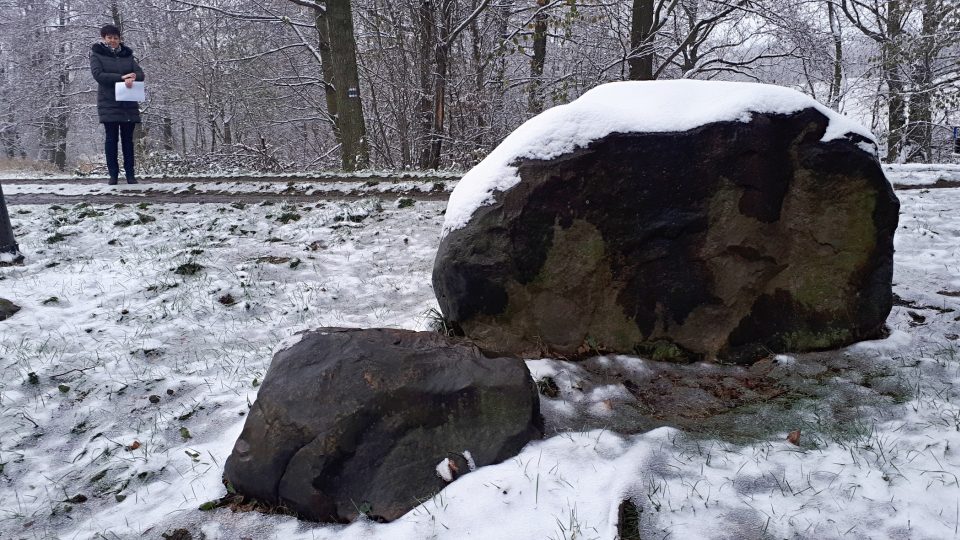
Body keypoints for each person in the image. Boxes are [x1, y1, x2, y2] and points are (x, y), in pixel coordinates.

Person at [89, 24, 144, 185]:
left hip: (128, 104)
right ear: (104, 38)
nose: (113, 40)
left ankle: (130, 175)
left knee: (128, 140)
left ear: (120, 39)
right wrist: (122, 78)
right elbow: (99, 75)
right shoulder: (96, 55)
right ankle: (113, 175)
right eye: (109, 37)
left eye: (115, 37)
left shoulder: (128, 55)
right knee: (111, 140)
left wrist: (133, 77)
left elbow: (140, 74)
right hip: (108, 103)